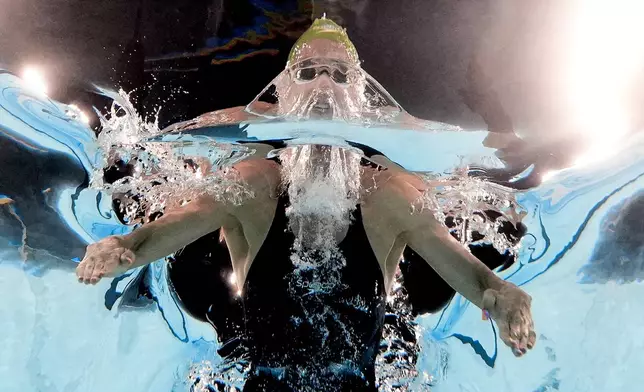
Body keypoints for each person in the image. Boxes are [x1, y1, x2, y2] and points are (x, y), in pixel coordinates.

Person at [78, 18, 536, 391]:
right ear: (287, 92)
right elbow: (181, 221)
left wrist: (502, 298)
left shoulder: (389, 195)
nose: (324, 83)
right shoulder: (252, 183)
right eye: (309, 71)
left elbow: (466, 269)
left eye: (339, 75)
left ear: (357, 96)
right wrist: (124, 244)